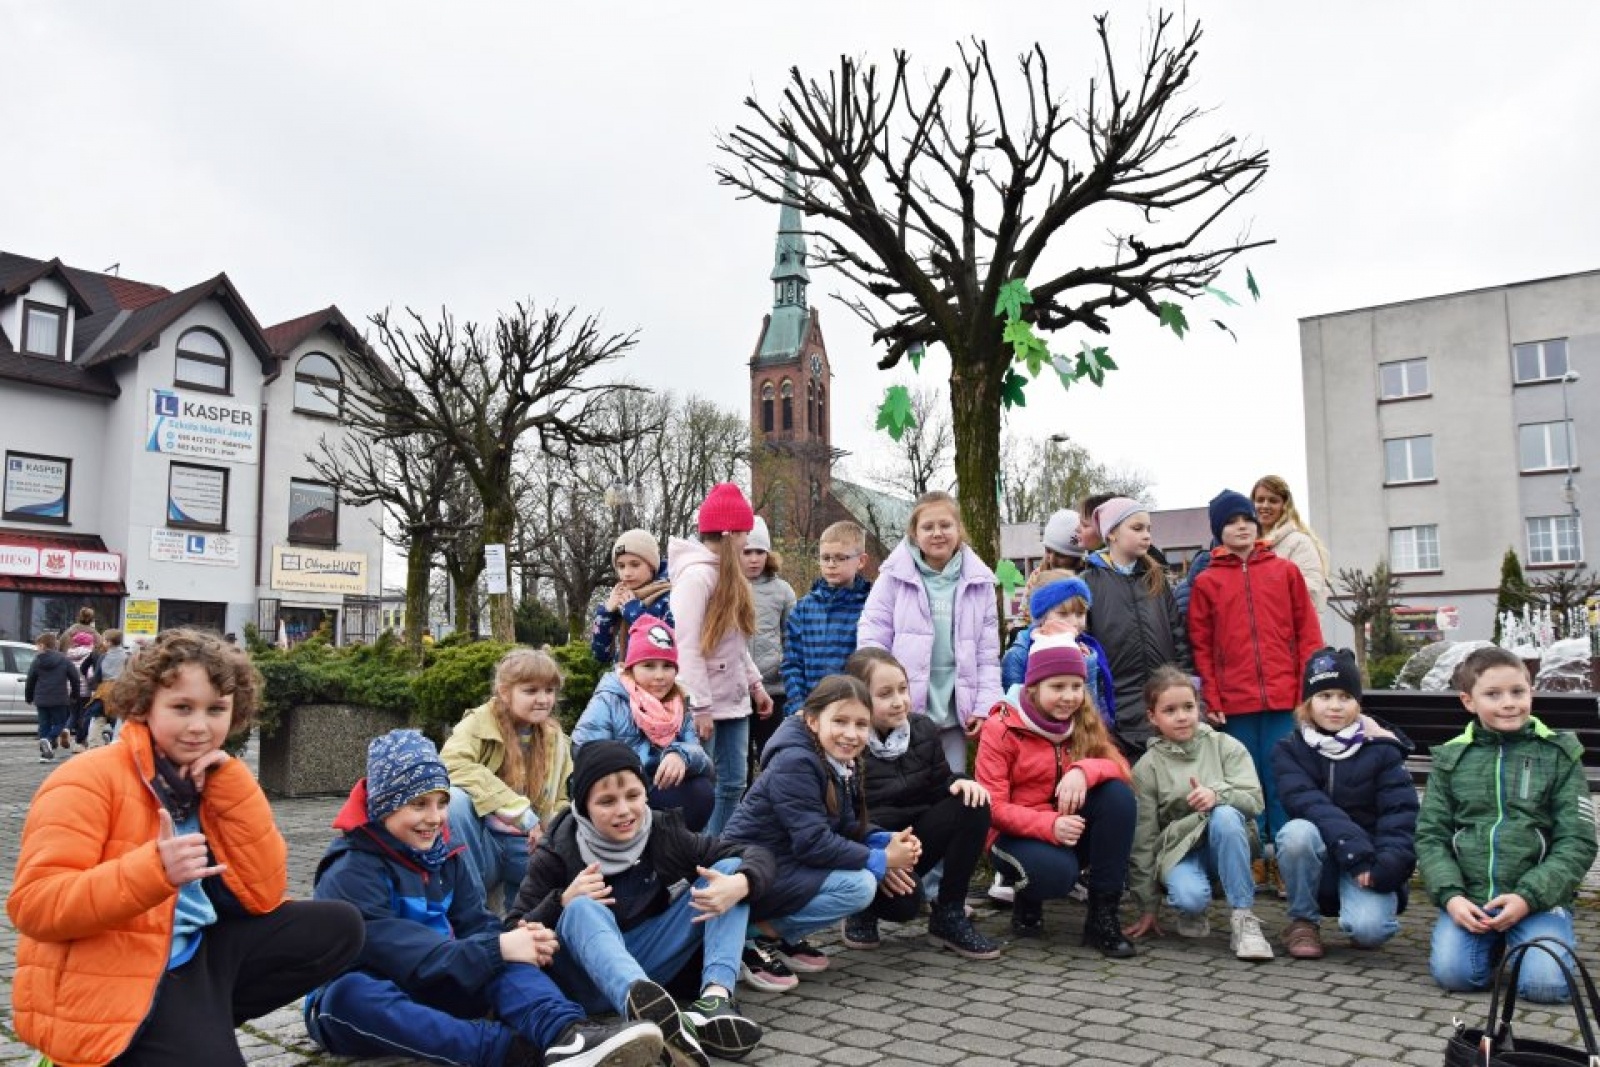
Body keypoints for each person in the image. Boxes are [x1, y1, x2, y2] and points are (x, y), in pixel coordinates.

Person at [9, 628, 365, 1066]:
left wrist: (235, 787)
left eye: (216, 709)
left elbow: (264, 894)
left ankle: (192, 1023)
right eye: (182, 708)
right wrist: (152, 871)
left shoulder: (213, 776)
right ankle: (133, 1037)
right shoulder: (87, 778)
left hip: (196, 948)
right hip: (115, 968)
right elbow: (35, 907)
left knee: (339, 928)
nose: (200, 727)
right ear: (145, 706)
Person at [308, 730, 663, 1067]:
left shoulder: (447, 855)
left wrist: (508, 945)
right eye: (419, 805)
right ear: (385, 806)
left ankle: (567, 1035)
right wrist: (497, 948)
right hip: (375, 994)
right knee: (347, 997)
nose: (434, 819)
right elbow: (397, 954)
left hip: (438, 981)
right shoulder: (349, 870)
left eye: (442, 803)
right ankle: (507, 1051)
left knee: (506, 952)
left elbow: (475, 925)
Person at [507, 740, 776, 1064]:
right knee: (582, 907)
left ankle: (714, 1001)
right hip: (581, 981)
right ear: (583, 806)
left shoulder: (661, 831)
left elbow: (751, 852)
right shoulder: (557, 850)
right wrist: (561, 900)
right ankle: (649, 1011)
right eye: (607, 801)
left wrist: (743, 882)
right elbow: (512, 930)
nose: (624, 810)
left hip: (649, 965)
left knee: (729, 872)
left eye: (633, 796)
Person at [1417, 646, 1598, 1003]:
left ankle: (1537, 934)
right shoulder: (1452, 758)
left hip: (1537, 899)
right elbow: (1430, 837)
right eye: (1493, 694)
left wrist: (1528, 897)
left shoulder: (1558, 754)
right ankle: (1497, 942)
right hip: (1471, 899)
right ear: (1468, 701)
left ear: (1531, 691)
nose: (1509, 703)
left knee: (1546, 987)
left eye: (1518, 691)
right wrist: (1451, 897)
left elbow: (1578, 841)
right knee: (1456, 975)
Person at [721, 675, 921, 992]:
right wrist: (880, 859)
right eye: (840, 721)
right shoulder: (795, 762)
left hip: (786, 862)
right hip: (753, 869)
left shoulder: (838, 760)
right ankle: (751, 935)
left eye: (860, 724)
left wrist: (886, 840)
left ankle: (776, 934)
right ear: (813, 721)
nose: (851, 734)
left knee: (886, 884)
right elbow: (813, 843)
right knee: (860, 886)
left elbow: (841, 825)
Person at [976, 633, 1137, 954]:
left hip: (1064, 826)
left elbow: (1121, 768)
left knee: (1117, 797)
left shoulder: (1082, 721)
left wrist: (1083, 771)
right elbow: (992, 807)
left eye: (1076, 686)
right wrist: (1049, 826)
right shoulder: (1001, 727)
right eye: (1058, 687)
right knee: (1055, 876)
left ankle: (1102, 918)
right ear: (1033, 687)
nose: (1069, 697)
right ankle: (1028, 898)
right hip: (1014, 834)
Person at [841, 648, 1002, 959]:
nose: (899, 700)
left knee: (973, 801)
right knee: (904, 905)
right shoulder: (848, 743)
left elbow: (939, 785)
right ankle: (861, 910)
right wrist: (879, 859)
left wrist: (959, 781)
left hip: (914, 843)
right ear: (860, 700)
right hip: (872, 850)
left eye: (903, 689)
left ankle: (949, 914)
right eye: (885, 694)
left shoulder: (923, 729)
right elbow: (842, 818)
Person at [1188, 489, 1324, 855]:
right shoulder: (1207, 581)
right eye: (1231, 522)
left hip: (1284, 697)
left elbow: (1307, 633)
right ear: (1219, 530)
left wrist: (1308, 690)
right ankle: (1253, 852)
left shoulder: (1285, 571)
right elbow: (1201, 645)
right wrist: (1211, 697)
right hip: (1235, 702)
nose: (1241, 526)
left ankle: (1282, 850)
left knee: (1282, 776)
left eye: (1246, 518)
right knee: (1243, 781)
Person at [1271, 648, 1418, 959]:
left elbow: (1400, 815)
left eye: (1345, 696)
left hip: (1368, 861)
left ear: (1357, 702)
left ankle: (1361, 909)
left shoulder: (1382, 749)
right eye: (1325, 696)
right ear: (1309, 702)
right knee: (1296, 833)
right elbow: (1308, 804)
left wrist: (1388, 864)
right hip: (1326, 856)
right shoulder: (1290, 749)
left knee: (1370, 931)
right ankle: (1303, 921)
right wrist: (1355, 852)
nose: (1335, 706)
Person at [1124, 667, 1275, 961]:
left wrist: (1217, 794)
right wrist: (1148, 907)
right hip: (1181, 851)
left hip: (1232, 840)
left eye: (1188, 707)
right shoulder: (1146, 768)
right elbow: (1143, 839)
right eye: (1170, 710)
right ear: (1153, 717)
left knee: (1225, 815)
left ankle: (1244, 919)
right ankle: (1192, 907)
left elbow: (1255, 801)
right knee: (1190, 898)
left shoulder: (1226, 746)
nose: (1181, 716)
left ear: (1199, 708)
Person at [858, 490, 1001, 773]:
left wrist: (986, 706)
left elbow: (987, 655)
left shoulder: (980, 583)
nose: (938, 533)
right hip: (904, 707)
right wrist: (880, 696)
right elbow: (872, 640)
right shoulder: (892, 578)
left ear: (959, 529)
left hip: (955, 708)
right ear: (914, 533)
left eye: (945, 525)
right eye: (928, 526)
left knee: (950, 786)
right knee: (906, 785)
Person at [669, 483, 773, 835]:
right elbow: (687, 647)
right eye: (744, 533)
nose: (748, 541)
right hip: (706, 705)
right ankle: (697, 849)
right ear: (729, 534)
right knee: (703, 783)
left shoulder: (733, 577)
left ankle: (722, 847)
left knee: (734, 783)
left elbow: (735, 643)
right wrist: (698, 705)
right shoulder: (696, 578)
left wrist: (756, 684)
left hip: (735, 701)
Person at [444, 647, 574, 906]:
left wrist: (551, 834)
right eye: (531, 691)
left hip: (529, 845)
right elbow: (452, 763)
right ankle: (471, 911)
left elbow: (563, 797)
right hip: (483, 842)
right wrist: (522, 815)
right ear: (505, 692)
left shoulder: (556, 738)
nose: (543, 699)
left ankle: (526, 923)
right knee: (454, 800)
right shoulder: (478, 723)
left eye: (549, 691)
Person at [573, 617, 715, 831]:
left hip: (656, 791)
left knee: (700, 790)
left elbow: (705, 763)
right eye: (649, 666)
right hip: (618, 793)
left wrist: (681, 755)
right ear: (631, 668)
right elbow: (585, 751)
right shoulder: (609, 701)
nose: (659, 676)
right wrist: (634, 769)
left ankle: (675, 853)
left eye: (667, 666)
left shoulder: (678, 705)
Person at [1080, 497, 1193, 755]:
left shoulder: (1157, 580)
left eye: (1149, 529)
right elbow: (1085, 646)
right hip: (1117, 712)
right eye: (1137, 528)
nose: (1146, 536)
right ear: (1112, 534)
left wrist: (1188, 687)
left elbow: (1178, 637)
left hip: (1162, 704)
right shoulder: (1089, 582)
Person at [1001, 573, 1115, 727]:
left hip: (1081, 737)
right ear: (1042, 616)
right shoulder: (1020, 654)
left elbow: (1095, 711)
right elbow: (1013, 709)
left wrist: (1087, 665)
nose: (1074, 622)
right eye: (1063, 614)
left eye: (1080, 614)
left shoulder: (1089, 649)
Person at [782, 520, 872, 713]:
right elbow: (791, 663)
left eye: (840, 558)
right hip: (811, 707)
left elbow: (873, 662)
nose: (831, 565)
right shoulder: (803, 608)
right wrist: (799, 705)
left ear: (861, 561)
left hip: (855, 707)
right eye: (825, 558)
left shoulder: (870, 606)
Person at [744, 516, 795, 780]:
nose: (754, 558)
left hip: (774, 689)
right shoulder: (727, 586)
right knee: (739, 765)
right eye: (747, 551)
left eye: (759, 552)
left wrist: (783, 667)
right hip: (736, 691)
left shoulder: (782, 591)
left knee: (772, 758)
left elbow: (792, 637)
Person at [591, 529, 674, 666]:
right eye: (621, 566)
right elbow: (600, 655)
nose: (627, 573)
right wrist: (606, 613)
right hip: (624, 680)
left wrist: (635, 612)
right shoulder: (622, 597)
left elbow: (668, 645)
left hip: (658, 682)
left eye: (635, 564)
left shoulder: (670, 597)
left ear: (652, 565)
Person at [1251, 475, 1331, 612]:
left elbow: (1310, 593)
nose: (1265, 505)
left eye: (1273, 501)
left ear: (1285, 505)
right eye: (1260, 500)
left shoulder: (1299, 542)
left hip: (1286, 630)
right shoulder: (1246, 545)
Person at [1017, 508, 1086, 628]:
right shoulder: (1038, 576)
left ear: (1076, 557)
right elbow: (1025, 618)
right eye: (1048, 551)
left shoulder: (1089, 577)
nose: (1051, 559)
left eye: (1060, 555)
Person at [24, 631, 80, 763]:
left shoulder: (37, 661)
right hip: (59, 697)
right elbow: (74, 678)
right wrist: (74, 694)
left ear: (43, 645)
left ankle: (45, 754)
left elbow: (30, 680)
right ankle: (48, 739)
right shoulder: (64, 660)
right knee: (61, 722)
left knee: (44, 724)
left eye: (37, 645)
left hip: (41, 698)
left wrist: (29, 696)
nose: (36, 648)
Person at [87, 626, 132, 746]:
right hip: (122, 689)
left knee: (98, 718)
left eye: (104, 640)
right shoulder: (127, 656)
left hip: (105, 690)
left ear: (109, 642)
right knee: (120, 718)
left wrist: (91, 685)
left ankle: (95, 744)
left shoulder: (103, 657)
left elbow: (97, 676)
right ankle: (117, 741)